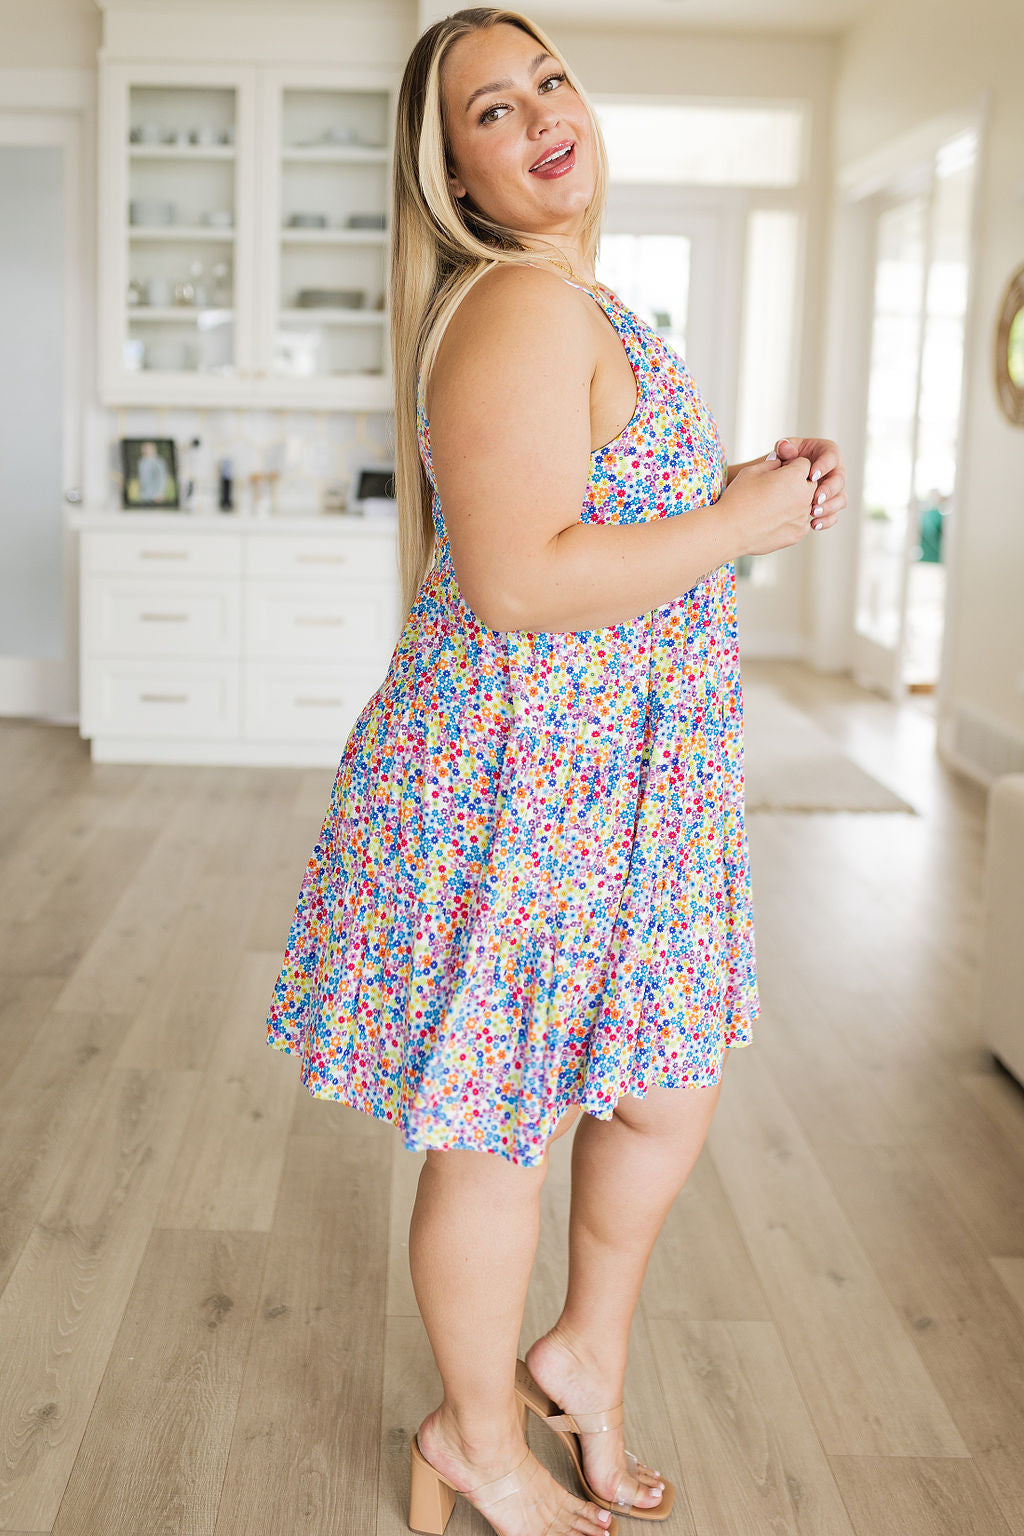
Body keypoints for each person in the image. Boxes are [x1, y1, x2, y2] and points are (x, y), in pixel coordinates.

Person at [264, 8, 847, 1535]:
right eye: (489, 110)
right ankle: (475, 1439)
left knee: (662, 1089)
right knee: (499, 1131)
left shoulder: (584, 301)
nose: (536, 116)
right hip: (527, 794)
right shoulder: (517, 303)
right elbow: (518, 580)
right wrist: (734, 528)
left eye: (548, 80)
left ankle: (581, 1354)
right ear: (451, 176)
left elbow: (605, 525)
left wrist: (735, 497)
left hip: (620, 789)